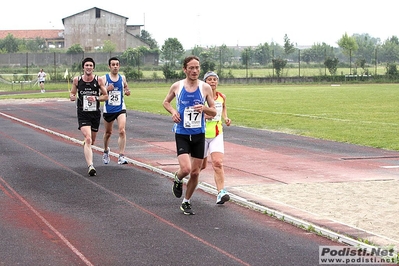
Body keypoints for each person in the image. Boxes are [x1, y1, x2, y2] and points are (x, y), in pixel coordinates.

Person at [163, 55, 217, 215]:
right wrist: (173, 112)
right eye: (191, 68)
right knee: (186, 169)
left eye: (197, 68)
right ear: (185, 69)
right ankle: (178, 178)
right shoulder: (177, 86)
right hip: (182, 133)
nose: (195, 71)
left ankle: (186, 201)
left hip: (199, 134)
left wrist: (204, 108)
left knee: (195, 172)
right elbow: (165, 102)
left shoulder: (205, 88)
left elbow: (213, 111)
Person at [69, 57, 108, 176]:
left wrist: (96, 98)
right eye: (87, 65)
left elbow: (106, 96)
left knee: (92, 141)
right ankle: (91, 166)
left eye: (91, 65)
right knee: (88, 138)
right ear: (83, 67)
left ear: (93, 67)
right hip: (83, 113)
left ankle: (87, 145)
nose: (89, 67)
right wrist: (72, 96)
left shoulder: (99, 80)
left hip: (95, 113)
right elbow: (73, 93)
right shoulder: (77, 80)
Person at [200, 71, 232, 204]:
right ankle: (185, 179)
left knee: (218, 163)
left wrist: (226, 118)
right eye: (209, 80)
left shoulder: (221, 96)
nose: (212, 82)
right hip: (201, 134)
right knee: (199, 167)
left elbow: (223, 108)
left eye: (214, 79)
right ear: (205, 82)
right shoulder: (200, 97)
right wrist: (205, 116)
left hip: (217, 133)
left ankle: (220, 192)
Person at [102, 57, 131, 165]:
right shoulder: (104, 79)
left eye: (117, 64)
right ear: (109, 66)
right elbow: (99, 95)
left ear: (119, 66)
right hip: (109, 109)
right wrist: (106, 90)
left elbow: (126, 88)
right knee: (108, 133)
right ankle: (105, 151)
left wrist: (127, 91)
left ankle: (121, 156)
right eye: (113, 64)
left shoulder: (122, 78)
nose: (115, 66)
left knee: (122, 130)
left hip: (120, 108)